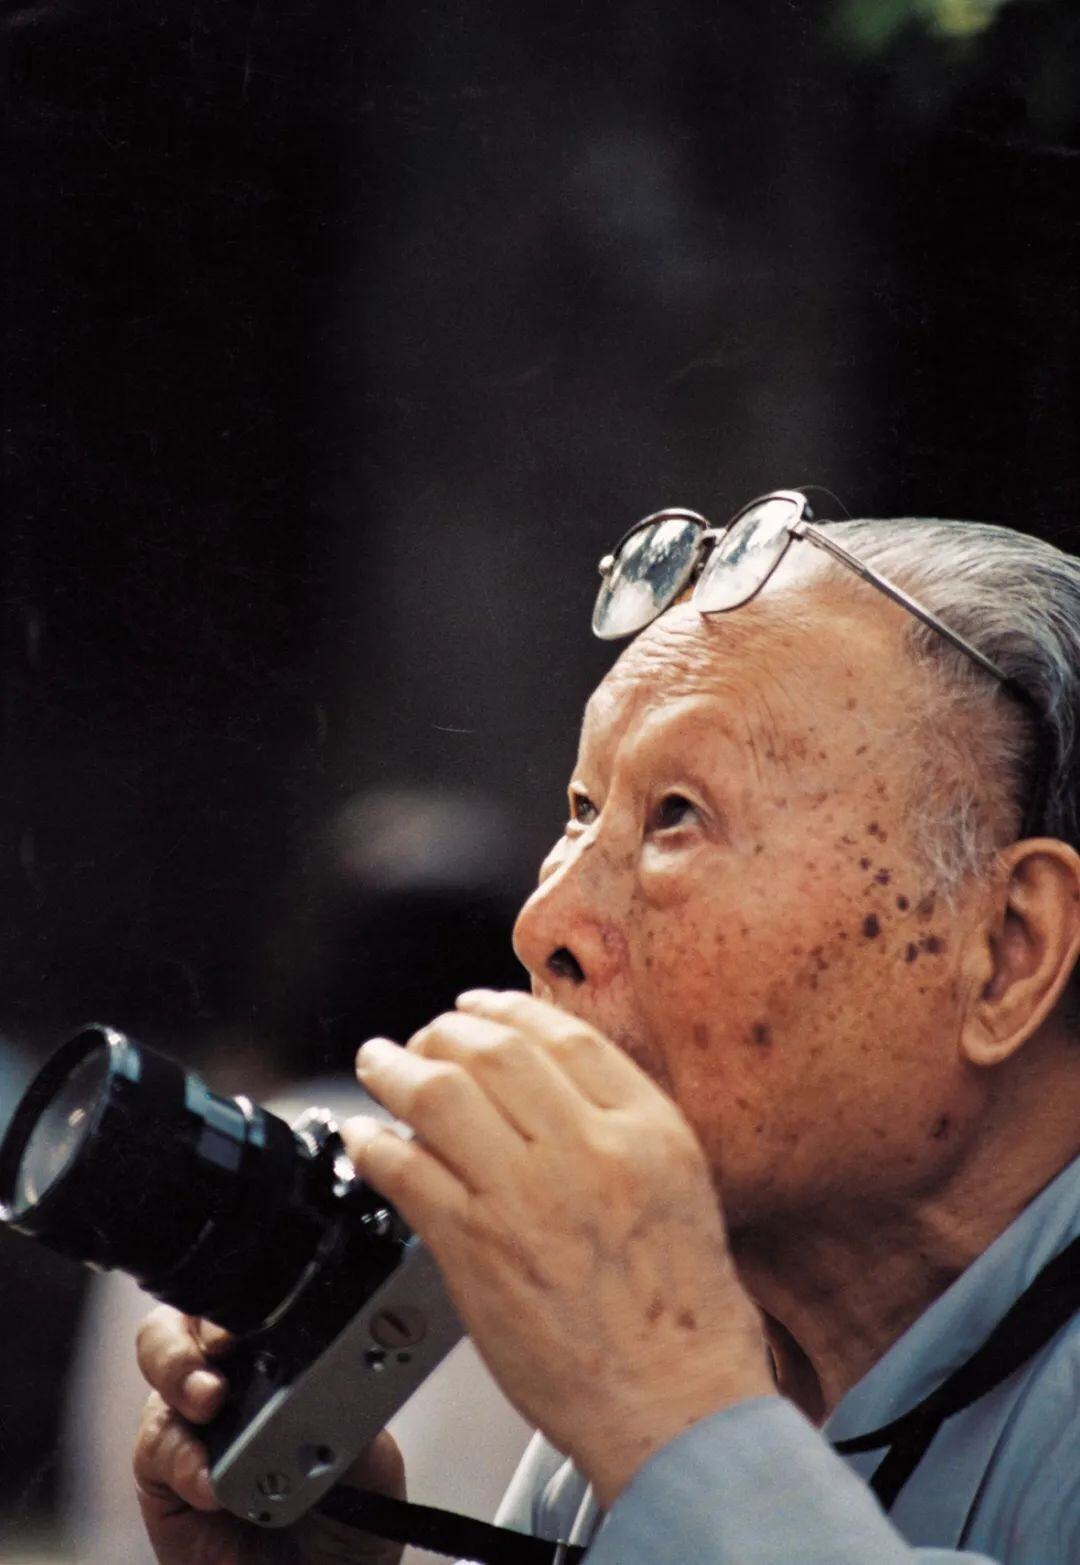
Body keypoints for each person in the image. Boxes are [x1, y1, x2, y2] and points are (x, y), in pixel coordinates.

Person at [132, 491, 1080, 1563]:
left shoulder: (665, 1391)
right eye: (582, 811)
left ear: (1007, 947)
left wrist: (674, 1419)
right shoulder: (683, 1388)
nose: (544, 923)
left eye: (677, 815)